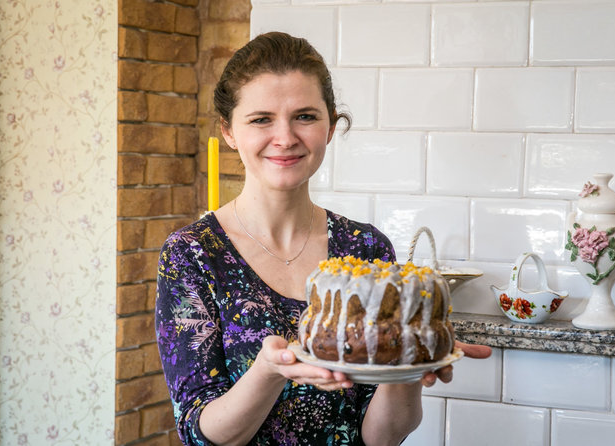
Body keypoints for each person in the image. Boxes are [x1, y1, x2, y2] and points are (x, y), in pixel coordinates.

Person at [155, 31, 491, 446]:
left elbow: (382, 437)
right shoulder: (193, 254)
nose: (285, 137)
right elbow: (200, 434)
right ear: (229, 131)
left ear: (330, 126)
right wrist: (269, 370)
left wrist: (407, 367)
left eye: (305, 116)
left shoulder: (366, 250)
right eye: (261, 119)